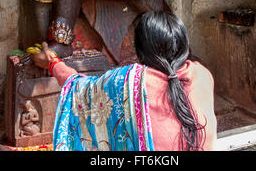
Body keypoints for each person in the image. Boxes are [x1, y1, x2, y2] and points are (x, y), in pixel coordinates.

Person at [31, 11, 217, 151]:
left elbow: (79, 88)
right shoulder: (202, 74)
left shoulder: (128, 82)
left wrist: (52, 62)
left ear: (140, 49)